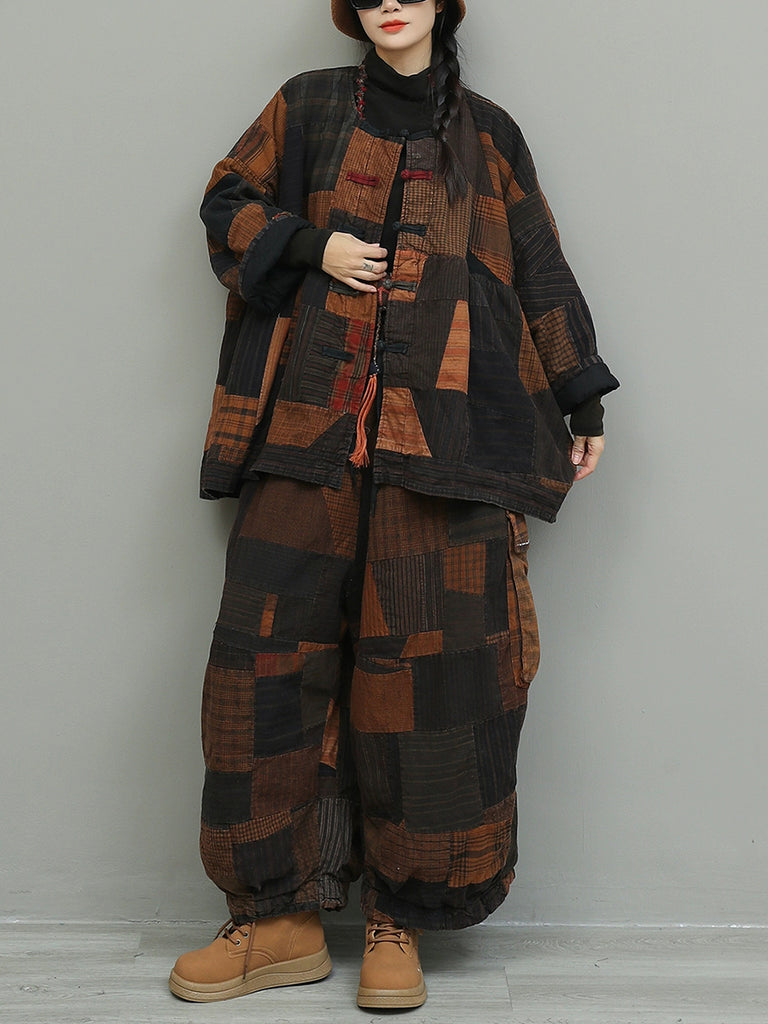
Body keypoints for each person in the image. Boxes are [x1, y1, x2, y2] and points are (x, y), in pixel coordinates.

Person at [169, 0, 619, 1010]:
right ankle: (275, 919)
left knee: (432, 689)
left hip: (448, 451)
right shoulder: (307, 106)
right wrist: (308, 245)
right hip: (306, 436)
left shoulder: (490, 136)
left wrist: (580, 392)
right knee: (263, 668)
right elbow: (225, 201)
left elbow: (537, 267)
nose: (389, 0)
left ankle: (396, 918)